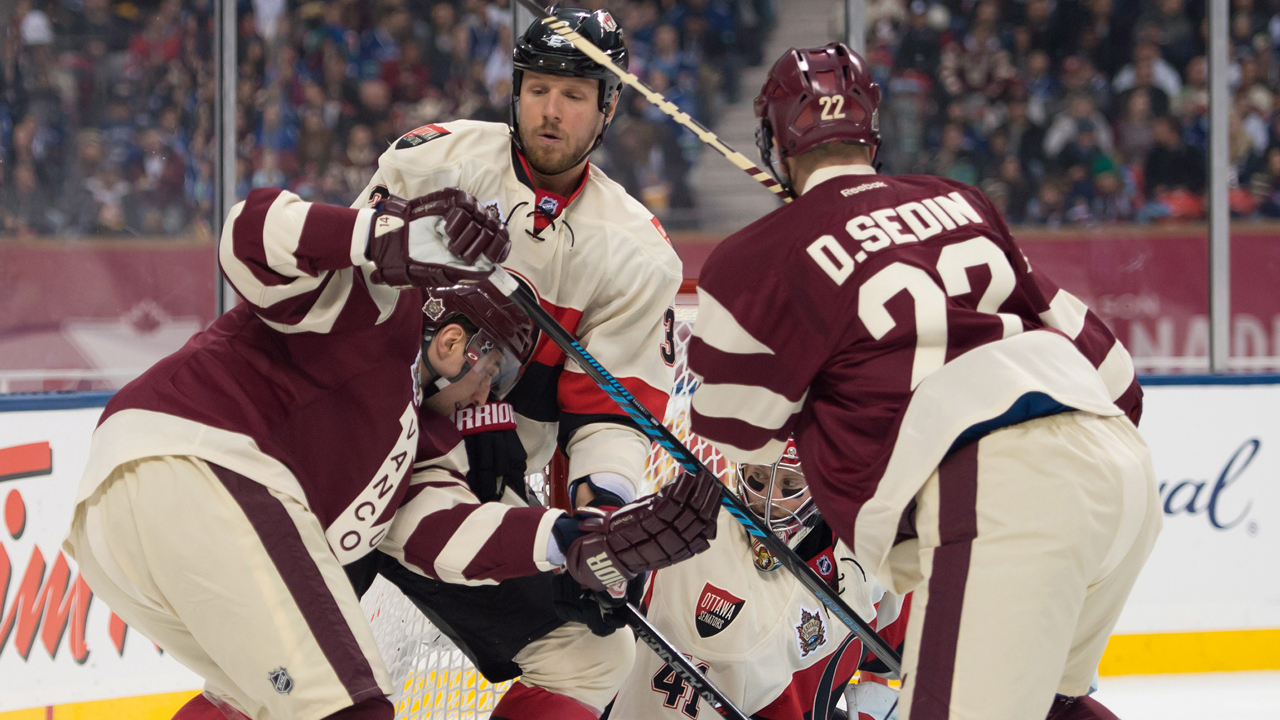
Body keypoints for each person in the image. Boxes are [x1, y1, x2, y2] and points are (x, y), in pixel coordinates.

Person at [62, 180, 720, 719]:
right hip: (198, 463)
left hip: (116, 533)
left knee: (263, 701)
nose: (497, 395)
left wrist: (573, 538)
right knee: (352, 710)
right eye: (500, 373)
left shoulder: (421, 451)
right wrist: (381, 237)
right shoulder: (375, 305)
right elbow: (248, 233)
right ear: (455, 344)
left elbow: (446, 540)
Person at [686, 43, 1160, 720]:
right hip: (1121, 471)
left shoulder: (754, 256)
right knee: (1052, 706)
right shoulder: (960, 200)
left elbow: (734, 430)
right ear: (871, 130)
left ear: (773, 142)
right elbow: (1115, 374)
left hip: (994, 486)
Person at [348, 8, 699, 720]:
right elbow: (346, 303)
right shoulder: (430, 161)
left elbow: (611, 415)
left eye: (573, 95)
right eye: (538, 88)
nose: (550, 110)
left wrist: (601, 519)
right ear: (514, 89)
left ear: (607, 107)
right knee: (277, 664)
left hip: (469, 488)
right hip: (352, 453)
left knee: (591, 654)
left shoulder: (635, 251)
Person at [609, 439, 906, 720]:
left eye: (789, 484)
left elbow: (915, 657)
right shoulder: (692, 534)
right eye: (757, 479)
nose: (769, 501)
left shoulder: (868, 560)